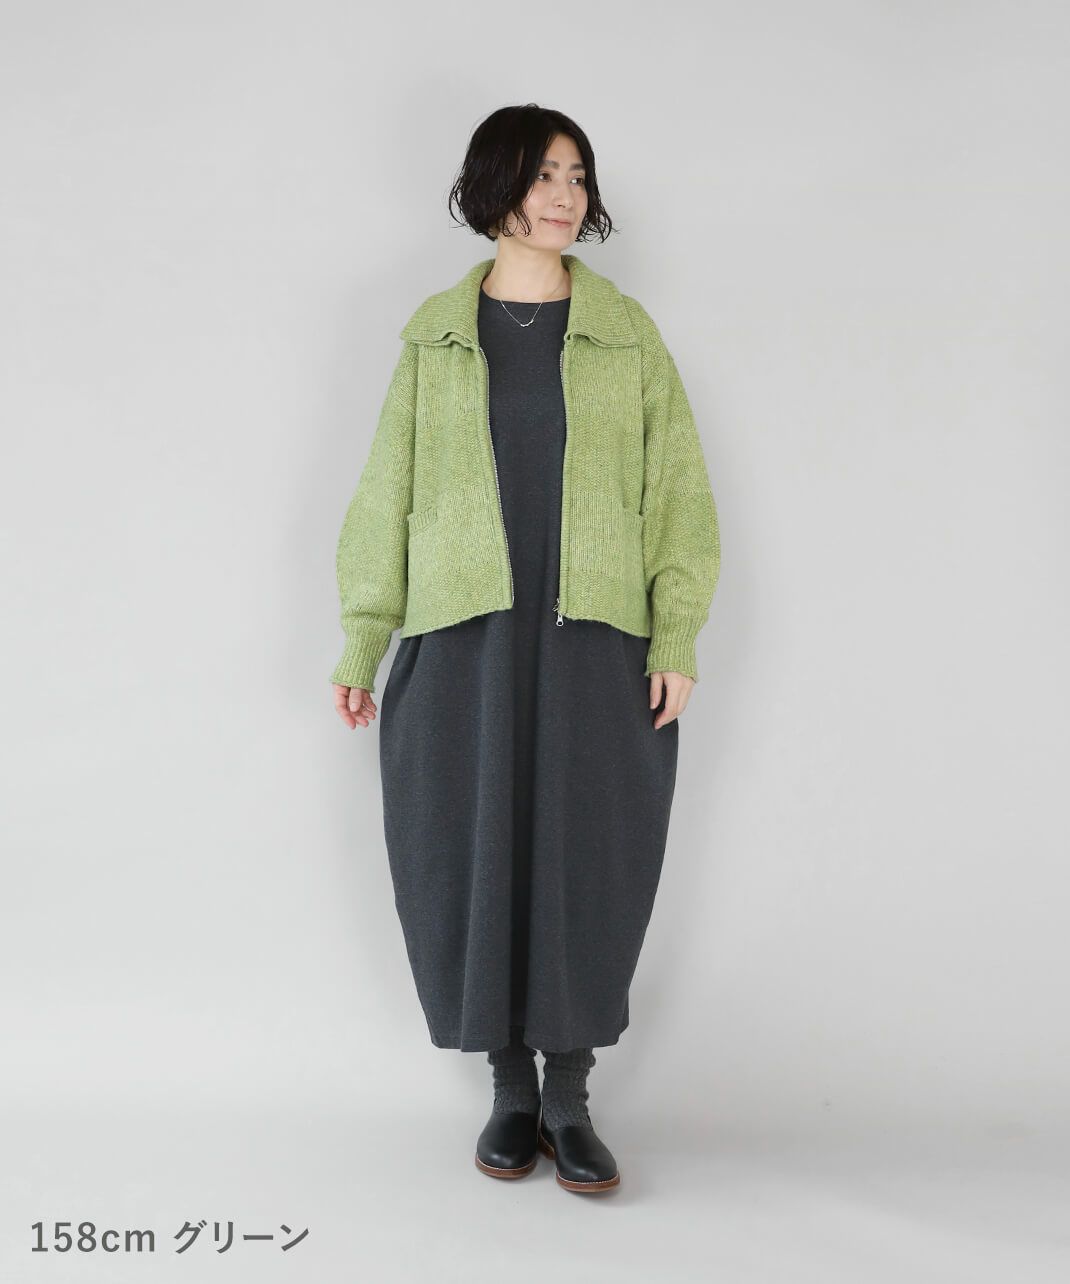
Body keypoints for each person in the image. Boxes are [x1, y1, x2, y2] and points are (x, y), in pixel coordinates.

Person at [330, 104, 721, 1194]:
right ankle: (509, 1089)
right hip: (466, 636)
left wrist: (676, 630)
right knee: (471, 845)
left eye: (576, 175)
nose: (562, 194)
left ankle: (569, 1094)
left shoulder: (626, 334)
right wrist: (363, 638)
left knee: (587, 849)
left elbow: (677, 493)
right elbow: (386, 492)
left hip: (594, 637)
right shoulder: (434, 336)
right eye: (542, 173)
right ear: (492, 186)